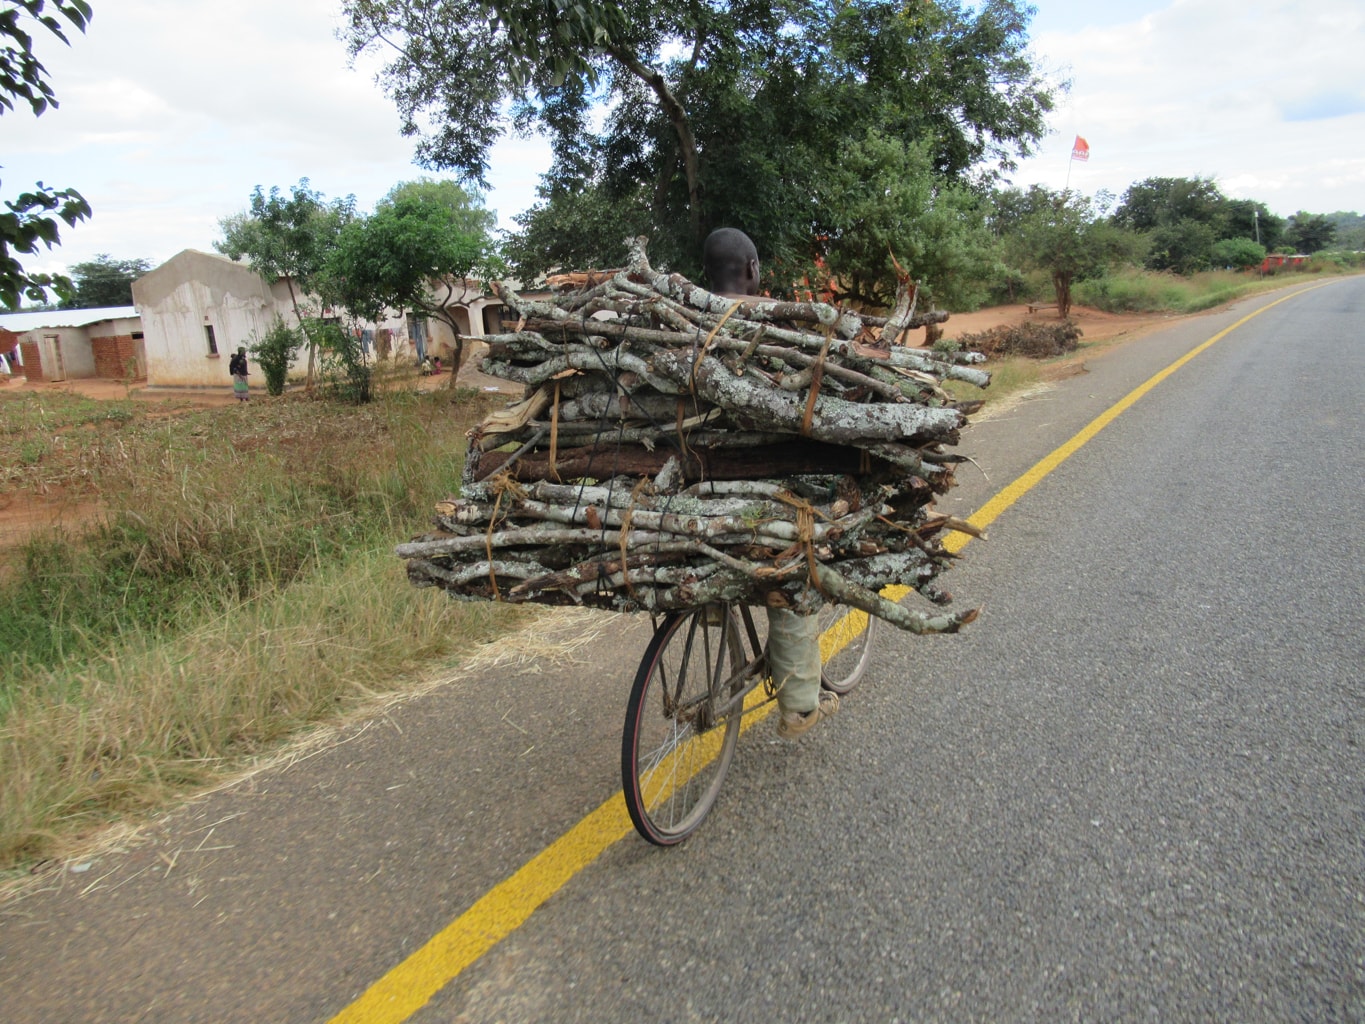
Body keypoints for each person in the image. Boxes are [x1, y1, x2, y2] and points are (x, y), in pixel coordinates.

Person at [701, 227, 838, 739]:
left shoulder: (686, 315)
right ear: (753, 268)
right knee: (795, 562)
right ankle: (800, 706)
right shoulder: (777, 320)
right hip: (758, 488)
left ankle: (712, 600)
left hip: (692, 485)